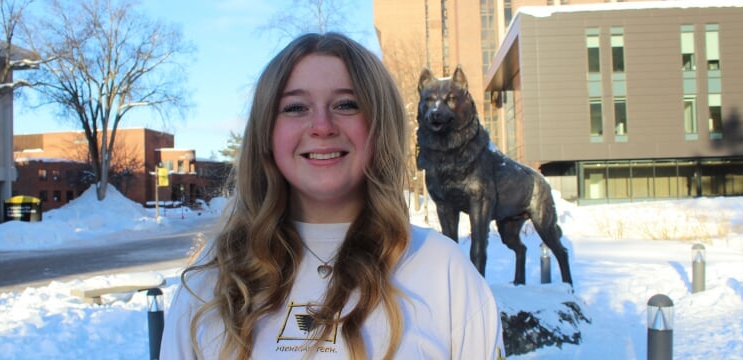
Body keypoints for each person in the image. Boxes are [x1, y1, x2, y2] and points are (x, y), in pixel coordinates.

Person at [160, 32, 505, 359]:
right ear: (266, 132)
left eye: (346, 104)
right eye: (295, 107)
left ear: (378, 126)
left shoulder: (443, 270)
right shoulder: (212, 281)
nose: (322, 126)